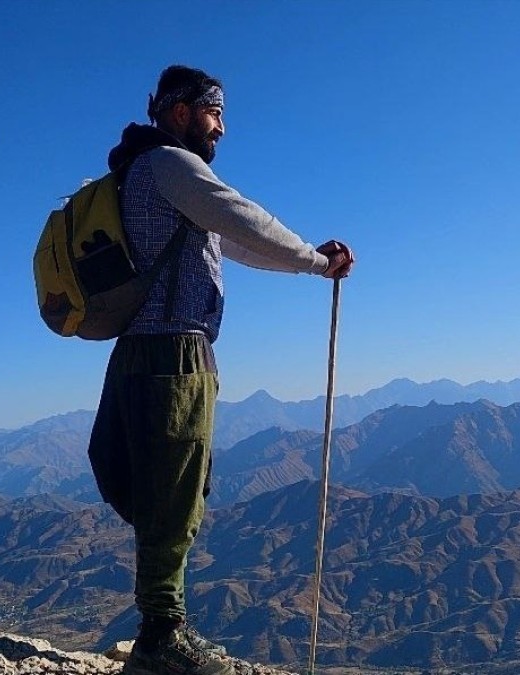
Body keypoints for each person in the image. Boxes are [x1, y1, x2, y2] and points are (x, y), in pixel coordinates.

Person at [86, 65, 355, 675]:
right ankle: (163, 635)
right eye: (215, 114)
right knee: (175, 495)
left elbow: (235, 243)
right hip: (175, 357)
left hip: (131, 354)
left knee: (159, 489)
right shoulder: (172, 167)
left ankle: (159, 621)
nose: (222, 128)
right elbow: (240, 219)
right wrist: (318, 263)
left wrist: (306, 263)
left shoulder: (133, 173)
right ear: (180, 112)